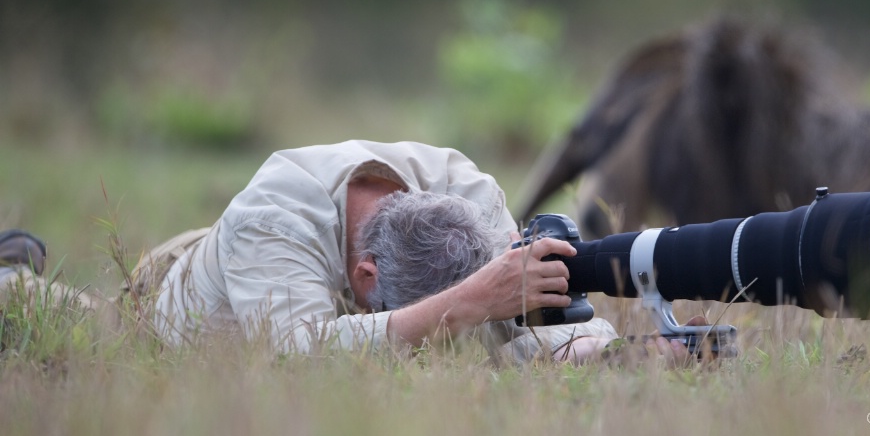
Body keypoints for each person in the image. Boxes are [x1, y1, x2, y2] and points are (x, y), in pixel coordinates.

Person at [2, 140, 699, 364]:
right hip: (185, 296)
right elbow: (298, 355)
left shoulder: (464, 191)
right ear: (364, 274)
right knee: (89, 323)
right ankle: (15, 269)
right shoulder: (272, 216)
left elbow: (522, 318)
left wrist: (618, 354)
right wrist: (461, 305)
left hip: (261, 274)